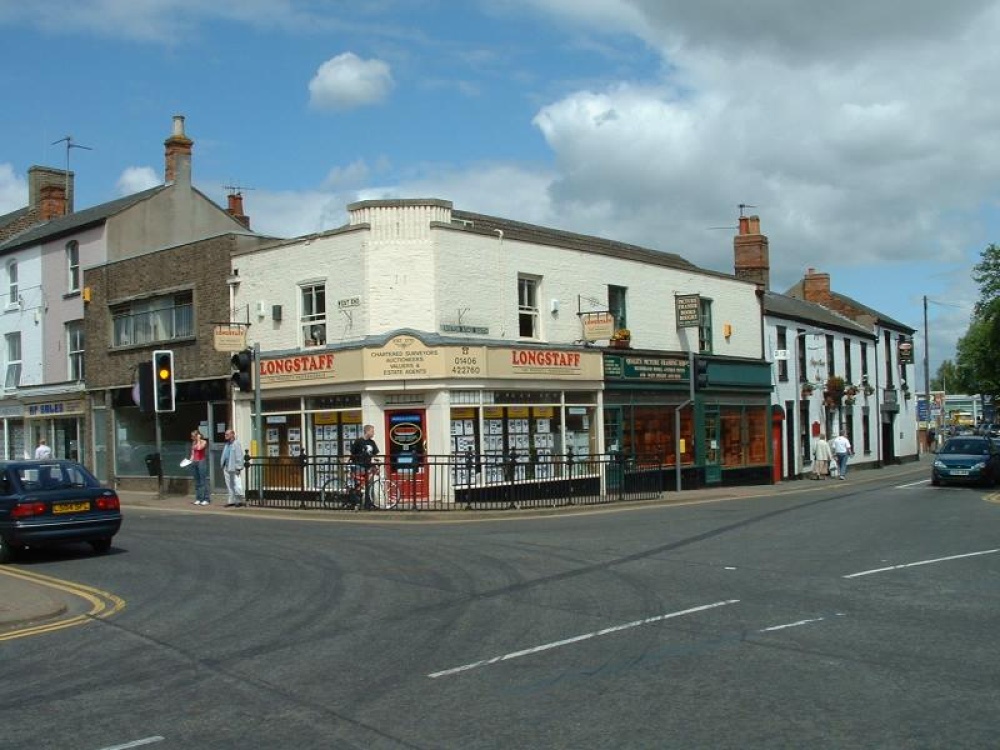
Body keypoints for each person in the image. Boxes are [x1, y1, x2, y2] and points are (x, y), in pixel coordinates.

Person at [350, 424, 380, 509]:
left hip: (368, 467)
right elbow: (352, 452)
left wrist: (377, 465)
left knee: (369, 486)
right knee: (358, 486)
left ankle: (368, 504)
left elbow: (375, 455)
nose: (373, 433)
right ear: (367, 431)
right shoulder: (358, 441)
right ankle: (356, 503)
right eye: (372, 431)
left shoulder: (372, 442)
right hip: (358, 466)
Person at [220, 428, 245, 507]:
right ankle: (231, 500)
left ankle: (239, 501)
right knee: (229, 485)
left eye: (227, 434)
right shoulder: (227, 444)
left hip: (234, 467)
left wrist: (238, 468)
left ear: (232, 435)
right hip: (226, 467)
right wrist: (222, 464)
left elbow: (239, 456)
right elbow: (224, 455)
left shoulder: (236, 444)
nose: (225, 435)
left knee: (237, 484)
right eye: (225, 434)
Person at [189, 429, 211, 505]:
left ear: (197, 435)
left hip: (201, 461)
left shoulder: (204, 442)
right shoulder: (193, 442)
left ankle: (206, 499)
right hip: (195, 462)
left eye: (193, 436)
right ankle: (198, 498)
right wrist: (190, 460)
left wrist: (198, 440)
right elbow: (192, 453)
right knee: (197, 481)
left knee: (203, 481)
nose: (192, 438)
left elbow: (199, 448)